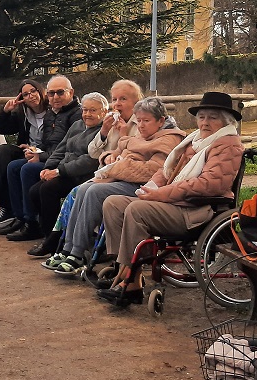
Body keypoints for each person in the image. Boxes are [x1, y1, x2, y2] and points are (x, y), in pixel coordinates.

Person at [98, 91, 245, 308]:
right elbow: (167, 172)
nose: (205, 122)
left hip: (197, 209)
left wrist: (160, 194)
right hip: (175, 203)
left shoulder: (228, 144)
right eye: (202, 117)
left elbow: (209, 184)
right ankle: (126, 271)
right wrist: (150, 189)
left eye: (212, 117)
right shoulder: (195, 140)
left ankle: (129, 281)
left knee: (138, 210)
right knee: (114, 203)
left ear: (225, 121)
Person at [47, 96, 185, 275]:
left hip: (144, 187)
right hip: (124, 180)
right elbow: (117, 153)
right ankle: (68, 249)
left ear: (161, 121)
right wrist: (109, 158)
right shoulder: (140, 135)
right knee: (82, 189)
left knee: (94, 192)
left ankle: (77, 253)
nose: (141, 125)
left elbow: (151, 172)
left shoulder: (169, 139)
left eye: (146, 121)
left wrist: (116, 167)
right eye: (139, 120)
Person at [19, 92, 107, 255]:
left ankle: (53, 241)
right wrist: (49, 166)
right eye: (85, 110)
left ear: (104, 112)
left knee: (47, 190)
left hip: (83, 176)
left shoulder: (103, 131)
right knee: (34, 191)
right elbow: (61, 148)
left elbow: (90, 161)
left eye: (93, 110)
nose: (87, 114)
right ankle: (50, 234)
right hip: (64, 171)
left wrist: (59, 171)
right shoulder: (77, 125)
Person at [0, 76, 80, 241]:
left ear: (71, 92)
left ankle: (32, 223)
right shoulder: (51, 113)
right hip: (49, 158)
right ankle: (21, 217)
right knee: (13, 166)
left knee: (27, 169)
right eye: (52, 93)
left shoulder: (76, 115)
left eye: (60, 93)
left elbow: (69, 149)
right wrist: (33, 150)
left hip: (64, 163)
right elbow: (48, 143)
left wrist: (41, 157)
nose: (55, 97)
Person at [0, 79, 45, 229]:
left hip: (43, 153)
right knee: (4, 151)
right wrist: (6, 111)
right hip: (26, 152)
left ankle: (12, 212)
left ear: (40, 91)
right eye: (26, 94)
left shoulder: (52, 111)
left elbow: (55, 139)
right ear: (22, 98)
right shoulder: (23, 114)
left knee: (14, 166)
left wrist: (35, 148)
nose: (30, 96)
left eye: (33, 91)